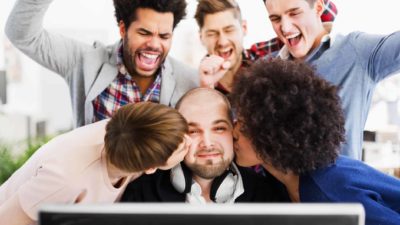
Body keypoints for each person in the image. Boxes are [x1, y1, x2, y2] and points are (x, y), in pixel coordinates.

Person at [231, 59, 400, 225]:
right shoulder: (284, 182)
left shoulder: (329, 190)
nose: (234, 132)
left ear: (275, 136)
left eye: (244, 127)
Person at [5, 0, 198, 127]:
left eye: (164, 36)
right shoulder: (84, 61)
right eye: (144, 33)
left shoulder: (189, 81)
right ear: (123, 29)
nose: (155, 45)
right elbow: (22, 35)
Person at [0, 102, 190, 225]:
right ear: (149, 168)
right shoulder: (66, 178)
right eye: (181, 148)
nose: (190, 142)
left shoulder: (134, 130)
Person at [261, 0, 400, 159]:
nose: (285, 27)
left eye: (294, 13)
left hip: (340, 182)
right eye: (275, 19)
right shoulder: (266, 70)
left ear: (318, 8)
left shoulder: (356, 52)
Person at [121, 88, 279, 203]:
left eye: (219, 128)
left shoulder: (266, 195)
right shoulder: (141, 194)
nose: (208, 143)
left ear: (234, 130)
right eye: (193, 131)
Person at [195, 0, 337, 95]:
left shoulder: (265, 56)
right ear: (201, 37)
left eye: (229, 30)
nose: (222, 42)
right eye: (212, 33)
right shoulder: (198, 84)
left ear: (244, 28)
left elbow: (326, 14)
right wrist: (206, 88)